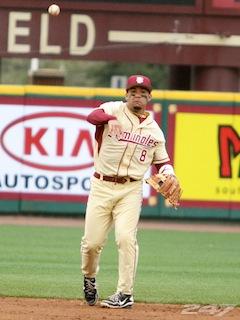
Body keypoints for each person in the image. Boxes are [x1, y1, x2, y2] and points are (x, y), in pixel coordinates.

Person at [81, 75, 181, 308]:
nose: (138, 96)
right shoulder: (112, 108)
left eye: (143, 93)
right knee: (92, 243)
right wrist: (109, 119)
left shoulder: (154, 130)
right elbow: (92, 116)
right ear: (126, 94)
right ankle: (89, 278)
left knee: (126, 238)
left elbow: (162, 161)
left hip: (131, 189)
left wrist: (170, 173)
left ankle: (125, 294)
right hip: (101, 185)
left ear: (149, 98)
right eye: (133, 92)